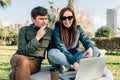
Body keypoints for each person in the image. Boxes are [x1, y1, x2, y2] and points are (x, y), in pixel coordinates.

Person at [48, 7, 100, 73]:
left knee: (95, 50)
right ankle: (72, 66)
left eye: (70, 17)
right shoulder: (57, 30)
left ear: (73, 18)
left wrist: (89, 48)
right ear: (61, 19)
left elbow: (86, 40)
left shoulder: (78, 29)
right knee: (52, 53)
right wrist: (74, 62)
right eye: (64, 18)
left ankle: (67, 67)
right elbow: (61, 48)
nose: (67, 20)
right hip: (61, 56)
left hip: (75, 55)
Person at [9, 6, 52, 80]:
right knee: (23, 60)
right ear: (33, 19)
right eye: (41, 19)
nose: (44, 21)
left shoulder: (50, 32)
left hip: (35, 62)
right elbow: (22, 51)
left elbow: (51, 50)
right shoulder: (24, 30)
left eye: (45, 18)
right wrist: (37, 38)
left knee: (16, 72)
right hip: (18, 58)